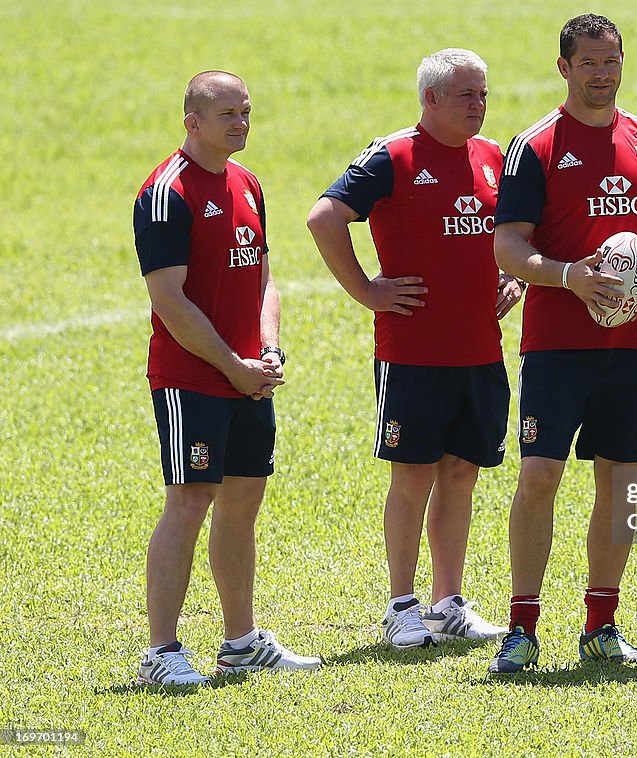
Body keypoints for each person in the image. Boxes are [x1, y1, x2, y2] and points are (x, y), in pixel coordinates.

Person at [488, 14, 637, 673]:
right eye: (589, 63)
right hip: (556, 344)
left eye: (611, 61)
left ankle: (601, 625)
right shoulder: (536, 145)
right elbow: (508, 246)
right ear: (564, 68)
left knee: (622, 483)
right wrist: (568, 277)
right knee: (540, 474)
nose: (602, 74)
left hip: (635, 344)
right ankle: (521, 627)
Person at [307, 49, 520, 650]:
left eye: (482, 94)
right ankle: (401, 605)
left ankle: (448, 602)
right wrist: (365, 289)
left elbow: (521, 232)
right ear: (430, 99)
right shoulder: (392, 156)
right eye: (465, 96)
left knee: (461, 473)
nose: (478, 106)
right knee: (413, 476)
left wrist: (517, 279)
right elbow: (325, 218)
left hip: (480, 349)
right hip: (413, 353)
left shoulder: (495, 158)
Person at [133, 70, 320, 685]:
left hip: (248, 374)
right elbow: (171, 300)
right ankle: (162, 652)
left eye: (245, 112)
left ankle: (240, 640)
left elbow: (264, 275)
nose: (241, 124)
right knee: (189, 502)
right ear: (192, 123)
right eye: (227, 115)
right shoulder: (165, 194)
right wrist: (231, 366)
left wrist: (265, 350)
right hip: (194, 378)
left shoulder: (247, 183)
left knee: (242, 503)